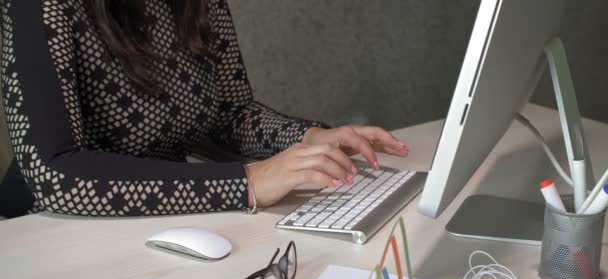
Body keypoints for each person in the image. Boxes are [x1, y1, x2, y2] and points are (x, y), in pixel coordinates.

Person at [0, 0, 408, 217]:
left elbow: (226, 115)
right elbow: (50, 172)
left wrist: (310, 137)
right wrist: (246, 183)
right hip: (48, 231)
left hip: (166, 220)